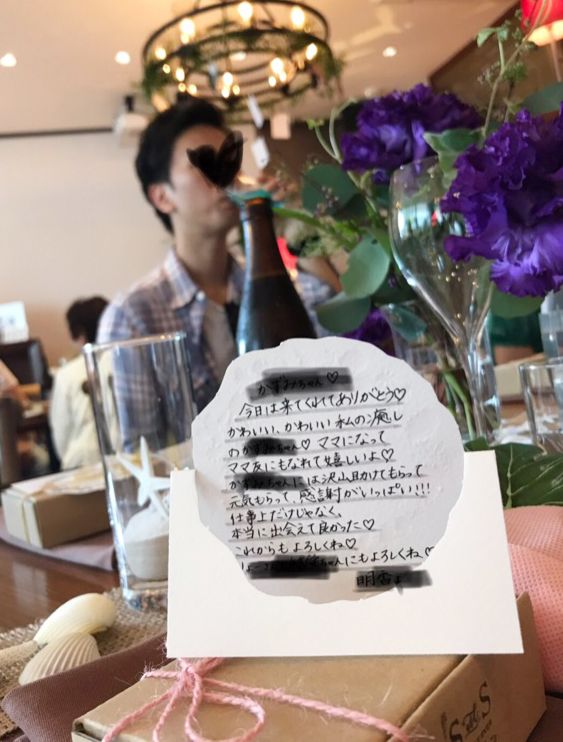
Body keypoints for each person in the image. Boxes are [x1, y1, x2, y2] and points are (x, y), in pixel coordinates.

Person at [97, 99, 334, 413]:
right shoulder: (133, 318)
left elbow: (344, 350)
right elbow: (139, 442)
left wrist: (292, 226)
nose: (227, 176)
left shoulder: (272, 288)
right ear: (162, 196)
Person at [49, 296, 108, 469]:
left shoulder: (66, 375)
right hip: (127, 458)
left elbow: (61, 432)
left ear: (78, 334)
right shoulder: (123, 364)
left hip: (82, 462)